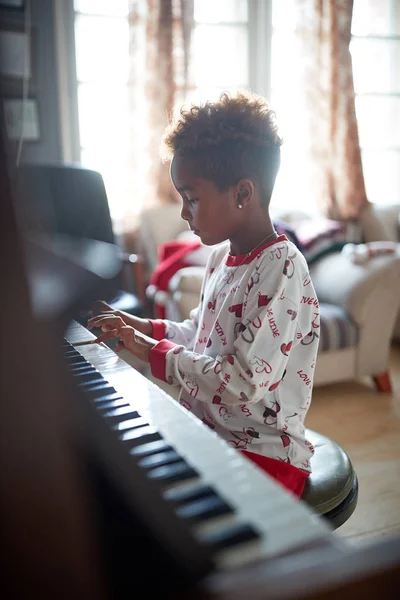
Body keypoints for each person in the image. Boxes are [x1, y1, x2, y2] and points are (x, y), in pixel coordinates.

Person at [88, 90, 320, 498]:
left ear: (243, 194)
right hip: (211, 436)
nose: (183, 213)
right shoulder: (221, 257)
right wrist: (142, 327)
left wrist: (150, 350)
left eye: (192, 198)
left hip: (264, 455)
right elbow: (200, 333)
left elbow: (243, 382)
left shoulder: (282, 267)